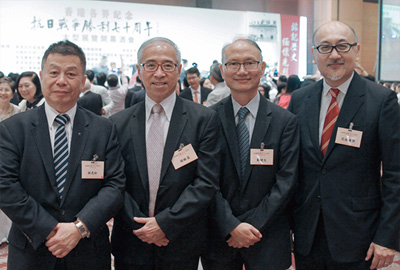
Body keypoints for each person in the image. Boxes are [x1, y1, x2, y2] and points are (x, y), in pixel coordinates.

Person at [0, 40, 126, 270]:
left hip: (88, 250)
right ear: (42, 76)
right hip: (32, 249)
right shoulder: (13, 129)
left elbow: (115, 185)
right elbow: (5, 185)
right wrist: (49, 229)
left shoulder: (103, 129)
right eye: (54, 72)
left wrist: (79, 228)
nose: (61, 80)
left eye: (70, 73)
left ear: (82, 80)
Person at [288, 21, 400, 270]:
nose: (335, 55)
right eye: (325, 47)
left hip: (359, 236)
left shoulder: (382, 101)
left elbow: (395, 174)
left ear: (356, 50)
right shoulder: (300, 100)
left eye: (343, 46)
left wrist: (387, 237)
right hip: (308, 234)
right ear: (314, 53)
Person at [110, 37, 220, 270]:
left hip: (181, 239)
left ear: (178, 70)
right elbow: (114, 182)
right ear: (139, 71)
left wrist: (165, 224)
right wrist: (142, 226)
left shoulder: (203, 119)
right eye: (150, 65)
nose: (159, 73)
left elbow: (206, 181)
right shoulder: (117, 123)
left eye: (167, 65)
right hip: (131, 239)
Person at [202, 37, 299, 270]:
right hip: (219, 234)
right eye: (233, 64)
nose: (242, 71)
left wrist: (251, 225)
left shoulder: (285, 121)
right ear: (223, 70)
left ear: (263, 68)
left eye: (250, 63)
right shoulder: (206, 119)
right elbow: (204, 179)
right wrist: (231, 225)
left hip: (267, 234)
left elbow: (287, 181)